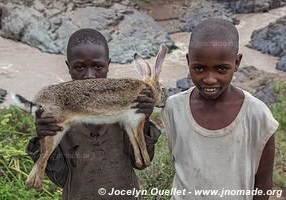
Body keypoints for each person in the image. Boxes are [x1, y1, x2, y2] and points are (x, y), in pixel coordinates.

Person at [26, 28, 161, 200]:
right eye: (79, 67)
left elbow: (140, 163)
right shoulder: (60, 114)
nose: (90, 76)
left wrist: (144, 118)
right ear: (68, 67)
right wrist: (43, 137)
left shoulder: (124, 106)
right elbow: (60, 177)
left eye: (98, 67)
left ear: (108, 65)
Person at [161, 18, 279, 200]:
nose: (209, 79)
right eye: (199, 68)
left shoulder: (257, 115)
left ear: (237, 63)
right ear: (188, 61)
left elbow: (263, 183)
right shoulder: (174, 108)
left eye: (221, 69)